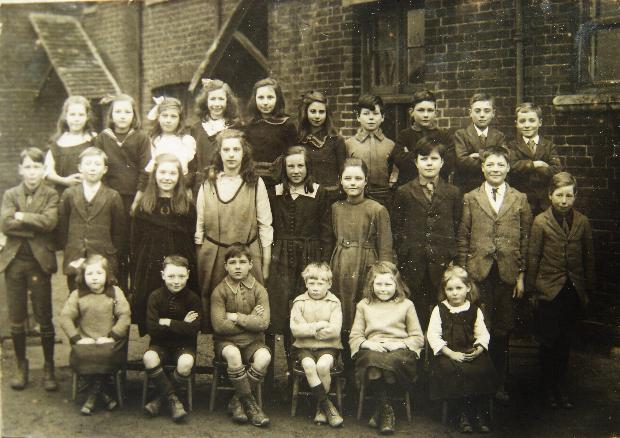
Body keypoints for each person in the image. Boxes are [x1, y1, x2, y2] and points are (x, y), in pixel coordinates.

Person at [457, 145, 532, 402]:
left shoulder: (519, 198)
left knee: (502, 330)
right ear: (482, 168)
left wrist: (521, 276)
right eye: (490, 164)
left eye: (500, 164)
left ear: (509, 167)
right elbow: (463, 237)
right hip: (479, 274)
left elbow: (525, 239)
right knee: (480, 327)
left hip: (507, 275)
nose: (495, 169)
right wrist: (466, 277)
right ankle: (479, 383)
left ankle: (500, 383)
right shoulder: (471, 197)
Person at [527, 172, 595, 409]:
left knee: (565, 340)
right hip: (548, 290)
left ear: (575, 197)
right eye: (559, 195)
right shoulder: (540, 222)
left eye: (569, 196)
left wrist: (586, 291)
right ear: (549, 195)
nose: (563, 201)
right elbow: (533, 258)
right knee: (549, 340)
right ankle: (546, 387)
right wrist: (533, 291)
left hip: (572, 290)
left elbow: (588, 259)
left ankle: (559, 386)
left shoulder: (583, 222)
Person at [195, 129, 273, 332]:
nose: (231, 154)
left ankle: (250, 356)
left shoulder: (255, 183)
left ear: (244, 152)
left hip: (247, 256)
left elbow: (265, 225)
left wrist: (265, 265)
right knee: (216, 311)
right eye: (226, 149)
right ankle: (220, 357)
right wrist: (201, 259)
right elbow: (200, 226)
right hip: (214, 255)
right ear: (219, 153)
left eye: (236, 149)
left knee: (248, 307)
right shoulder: (208, 182)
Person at [266, 146, 333, 368]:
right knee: (277, 310)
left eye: (300, 165)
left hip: (309, 254)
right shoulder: (274, 192)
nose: (296, 171)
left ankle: (300, 368)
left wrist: (321, 262)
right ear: (285, 169)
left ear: (308, 167)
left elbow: (325, 230)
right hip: (280, 256)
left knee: (303, 308)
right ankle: (269, 375)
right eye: (291, 166)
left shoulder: (318, 192)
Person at [0, 147, 59, 391]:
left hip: (39, 263)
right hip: (14, 261)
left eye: (37, 167)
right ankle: (22, 367)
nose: (32, 172)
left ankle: (48, 368)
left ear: (44, 170)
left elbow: (50, 223)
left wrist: (21, 216)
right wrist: (32, 223)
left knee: (44, 316)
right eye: (28, 167)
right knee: (17, 318)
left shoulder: (51, 194)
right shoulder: (11, 193)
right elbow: (4, 222)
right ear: (20, 169)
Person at [391, 136, 462, 328]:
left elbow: (456, 226)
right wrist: (405, 254)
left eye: (434, 159)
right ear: (415, 162)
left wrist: (451, 255)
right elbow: (397, 228)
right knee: (418, 315)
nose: (429, 163)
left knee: (444, 314)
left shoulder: (453, 193)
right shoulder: (404, 192)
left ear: (442, 162)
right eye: (423, 159)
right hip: (414, 264)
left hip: (442, 263)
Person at [330, 158, 393, 367]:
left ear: (366, 181)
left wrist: (382, 273)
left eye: (358, 178)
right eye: (348, 178)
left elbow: (385, 247)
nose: (353, 183)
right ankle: (346, 364)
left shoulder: (376, 209)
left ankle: (365, 365)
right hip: (341, 265)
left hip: (366, 264)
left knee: (364, 310)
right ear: (340, 181)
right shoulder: (335, 208)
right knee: (344, 312)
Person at [349, 261, 424, 435]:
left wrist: (398, 344)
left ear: (397, 285)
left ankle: (380, 410)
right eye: (379, 284)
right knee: (373, 362)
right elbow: (356, 336)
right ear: (371, 285)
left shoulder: (407, 305)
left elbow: (418, 337)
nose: (383, 289)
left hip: (400, 348)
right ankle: (387, 412)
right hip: (373, 348)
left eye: (388, 284)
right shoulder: (364, 305)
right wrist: (369, 343)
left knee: (392, 364)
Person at [130, 154, 197, 336]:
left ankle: (179, 339)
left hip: (179, 257)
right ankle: (157, 341)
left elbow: (192, 238)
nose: (167, 177)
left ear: (179, 177)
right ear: (154, 175)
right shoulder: (145, 204)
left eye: (172, 173)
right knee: (153, 299)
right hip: (151, 260)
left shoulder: (187, 206)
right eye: (162, 172)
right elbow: (135, 241)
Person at [427, 266, 497, 434]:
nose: (455, 293)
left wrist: (479, 349)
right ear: (444, 290)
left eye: (459, 288)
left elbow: (482, 334)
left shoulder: (474, 310)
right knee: (453, 370)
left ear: (468, 288)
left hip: (469, 351)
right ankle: (462, 414)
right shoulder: (440, 309)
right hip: (448, 353)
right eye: (450, 289)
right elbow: (433, 336)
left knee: (483, 367)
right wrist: (450, 353)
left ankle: (478, 413)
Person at [59, 255, 131, 415]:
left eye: (99, 273)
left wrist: (112, 336)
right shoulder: (77, 294)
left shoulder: (115, 292)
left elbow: (125, 316)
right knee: (82, 354)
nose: (94, 278)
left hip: (109, 342)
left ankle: (93, 396)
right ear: (83, 276)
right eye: (89, 274)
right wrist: (77, 338)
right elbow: (65, 317)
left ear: (107, 275)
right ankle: (104, 395)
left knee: (106, 354)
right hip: (86, 342)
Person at [211, 244, 271, 427]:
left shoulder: (259, 290)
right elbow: (220, 326)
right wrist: (251, 319)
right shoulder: (219, 291)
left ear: (251, 264)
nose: (238, 266)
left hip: (254, 342)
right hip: (227, 342)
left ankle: (237, 401)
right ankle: (250, 406)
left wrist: (236, 317)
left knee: (264, 357)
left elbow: (263, 323)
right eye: (233, 262)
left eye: (243, 262)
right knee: (233, 354)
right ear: (225, 266)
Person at [95, 93, 151, 290]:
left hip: (133, 198)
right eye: (118, 111)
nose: (122, 116)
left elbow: (146, 170)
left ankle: (133, 294)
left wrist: (137, 199)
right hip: (110, 198)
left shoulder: (141, 138)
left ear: (134, 115)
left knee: (132, 246)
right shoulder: (103, 138)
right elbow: (98, 168)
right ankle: (116, 290)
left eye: (127, 111)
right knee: (114, 246)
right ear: (111, 114)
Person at [142, 255, 201, 423]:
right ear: (162, 275)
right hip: (160, 345)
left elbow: (192, 330)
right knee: (148, 357)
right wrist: (181, 324)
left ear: (188, 275)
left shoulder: (193, 299)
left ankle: (159, 400)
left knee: (185, 364)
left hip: (184, 346)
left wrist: (167, 322)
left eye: (181, 276)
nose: (176, 281)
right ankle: (173, 400)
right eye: (171, 276)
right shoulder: (155, 296)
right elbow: (152, 329)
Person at [57, 147, 126, 292]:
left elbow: (119, 232)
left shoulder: (113, 196)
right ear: (80, 168)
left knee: (103, 301)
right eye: (88, 164)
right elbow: (63, 228)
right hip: (75, 257)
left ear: (105, 169)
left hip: (103, 259)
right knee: (76, 299)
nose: (92, 168)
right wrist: (72, 248)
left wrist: (111, 255)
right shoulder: (69, 194)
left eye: (97, 164)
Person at [289, 262, 343, 427]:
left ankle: (320, 408)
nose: (315, 288)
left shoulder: (334, 303)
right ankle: (326, 406)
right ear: (306, 283)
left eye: (320, 284)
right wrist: (318, 326)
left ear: (329, 284)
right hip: (304, 348)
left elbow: (334, 330)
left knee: (322, 366)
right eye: (311, 283)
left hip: (328, 347)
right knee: (309, 365)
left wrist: (310, 329)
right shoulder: (299, 302)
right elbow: (295, 330)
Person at [507, 102, 562, 216]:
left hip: (545, 201)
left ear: (540, 122)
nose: (527, 125)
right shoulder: (512, 146)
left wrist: (524, 167)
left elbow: (556, 170)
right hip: (522, 200)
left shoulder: (548, 145)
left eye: (532, 120)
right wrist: (536, 164)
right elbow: (512, 167)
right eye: (522, 121)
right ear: (516, 124)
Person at [392, 90, 454, 186]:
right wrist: (435, 157)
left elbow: (449, 163)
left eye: (430, 110)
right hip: (410, 187)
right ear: (411, 112)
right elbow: (399, 161)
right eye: (421, 110)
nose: (425, 115)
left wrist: (411, 155)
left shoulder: (444, 136)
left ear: (436, 113)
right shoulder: (405, 135)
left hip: (438, 186)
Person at [190, 78, 241, 196]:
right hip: (202, 186)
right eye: (212, 99)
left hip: (229, 184)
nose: (217, 104)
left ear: (227, 102)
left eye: (221, 99)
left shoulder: (235, 126)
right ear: (205, 102)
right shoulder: (196, 128)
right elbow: (192, 164)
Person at [244, 77, 297, 187]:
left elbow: (293, 155)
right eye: (261, 98)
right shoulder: (250, 126)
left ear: (278, 99)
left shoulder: (287, 125)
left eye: (270, 97)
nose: (265, 102)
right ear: (255, 99)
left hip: (278, 181)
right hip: (254, 181)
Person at [345, 95, 396, 206]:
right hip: (358, 198)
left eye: (375, 113)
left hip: (384, 198)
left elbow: (393, 173)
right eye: (366, 113)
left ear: (382, 117)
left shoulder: (390, 145)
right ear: (358, 117)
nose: (371, 118)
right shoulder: (349, 144)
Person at [297, 90, 346, 204]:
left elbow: (343, 171)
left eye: (321, 112)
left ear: (327, 114)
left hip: (330, 197)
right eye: (313, 111)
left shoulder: (336, 140)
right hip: (305, 195)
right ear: (305, 112)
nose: (317, 116)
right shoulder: (298, 139)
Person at [454, 93, 507, 193]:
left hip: (493, 186)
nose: (482, 115)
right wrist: (491, 160)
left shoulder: (499, 136)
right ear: (470, 112)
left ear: (493, 113)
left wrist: (478, 155)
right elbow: (462, 161)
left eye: (487, 111)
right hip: (468, 186)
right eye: (477, 111)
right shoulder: (461, 135)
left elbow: (503, 158)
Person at [44, 96, 97, 194]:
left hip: (90, 193)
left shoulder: (94, 140)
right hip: (64, 194)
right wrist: (65, 181)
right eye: (72, 114)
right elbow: (47, 173)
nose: (76, 119)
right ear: (65, 116)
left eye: (81, 115)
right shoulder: (57, 143)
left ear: (87, 117)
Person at [144, 96, 196, 178]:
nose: (168, 120)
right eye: (164, 116)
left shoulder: (186, 141)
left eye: (173, 116)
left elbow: (191, 170)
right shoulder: (154, 140)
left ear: (180, 119)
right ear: (158, 118)